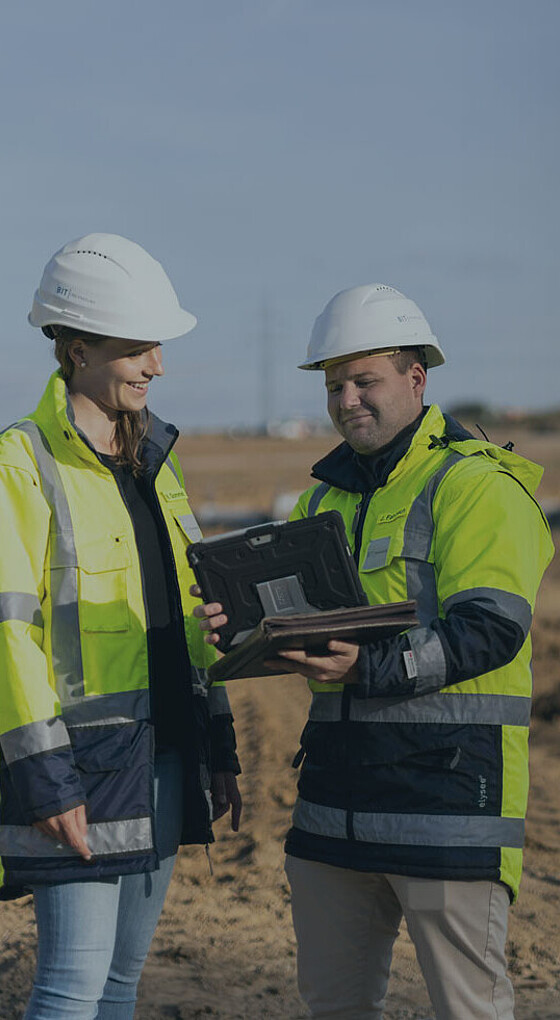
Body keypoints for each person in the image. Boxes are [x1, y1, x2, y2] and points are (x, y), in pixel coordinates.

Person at [196, 283, 554, 1020]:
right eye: (334, 385)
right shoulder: (323, 501)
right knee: (332, 1007)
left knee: (469, 1011)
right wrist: (241, 633)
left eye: (366, 380)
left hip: (448, 806)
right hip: (335, 813)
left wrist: (370, 666)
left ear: (416, 380)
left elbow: (492, 629)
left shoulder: (475, 485)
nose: (347, 399)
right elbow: (296, 627)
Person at [0, 233, 242, 1020]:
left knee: (118, 989)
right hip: (78, 773)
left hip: (165, 755)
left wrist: (220, 744)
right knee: (70, 988)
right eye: (138, 347)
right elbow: (10, 635)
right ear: (75, 351)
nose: (157, 365)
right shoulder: (20, 464)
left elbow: (185, 621)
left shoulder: (157, 467)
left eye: (157, 346)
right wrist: (44, 778)